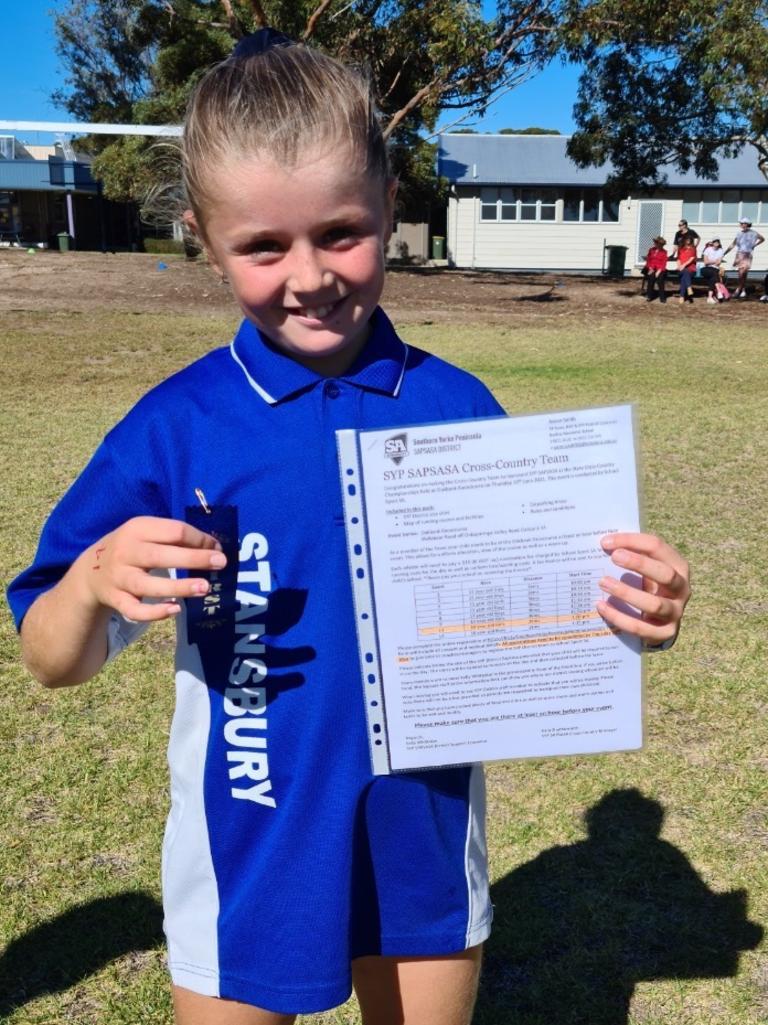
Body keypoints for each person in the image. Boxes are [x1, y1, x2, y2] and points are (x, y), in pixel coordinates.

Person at [6, 33, 692, 1025]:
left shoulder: (458, 409)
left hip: (421, 833)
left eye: (340, 232)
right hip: (248, 842)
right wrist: (87, 583)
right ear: (203, 239)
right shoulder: (177, 427)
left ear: (389, 205)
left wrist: (636, 609)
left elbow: (552, 619)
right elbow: (50, 657)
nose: (311, 275)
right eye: (262, 245)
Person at [723, 218, 765, 298]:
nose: (741, 225)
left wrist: (755, 245)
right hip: (739, 254)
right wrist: (725, 252)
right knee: (740, 274)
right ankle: (742, 290)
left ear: (747, 224)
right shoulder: (739, 233)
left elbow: (762, 239)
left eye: (743, 223)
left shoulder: (754, 233)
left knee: (744, 273)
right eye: (741, 223)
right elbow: (733, 244)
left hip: (748, 254)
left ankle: (739, 289)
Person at [642, 236, 668, 303]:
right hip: (651, 267)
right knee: (651, 277)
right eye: (655, 242)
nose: (654, 244)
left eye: (656, 243)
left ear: (660, 244)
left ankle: (662, 297)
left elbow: (664, 263)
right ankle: (649, 296)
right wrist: (650, 268)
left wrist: (658, 271)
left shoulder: (664, 252)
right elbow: (648, 260)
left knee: (660, 279)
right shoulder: (651, 250)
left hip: (660, 269)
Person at [675, 233, 698, 305]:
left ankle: (682, 297)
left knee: (684, 275)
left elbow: (691, 259)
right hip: (681, 269)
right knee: (685, 272)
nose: (688, 240)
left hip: (691, 269)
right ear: (684, 240)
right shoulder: (680, 248)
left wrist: (683, 265)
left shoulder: (693, 249)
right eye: (686, 239)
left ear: (691, 240)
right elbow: (678, 259)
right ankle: (689, 287)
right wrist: (679, 266)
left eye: (689, 239)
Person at [700, 238, 725, 304]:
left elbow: (718, 263)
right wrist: (714, 261)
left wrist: (711, 261)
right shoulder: (708, 249)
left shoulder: (720, 251)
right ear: (713, 243)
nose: (716, 243)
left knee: (713, 278)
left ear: (719, 243)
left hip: (715, 270)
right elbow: (705, 262)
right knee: (714, 273)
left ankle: (710, 297)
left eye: (717, 242)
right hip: (706, 269)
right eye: (714, 242)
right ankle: (719, 291)